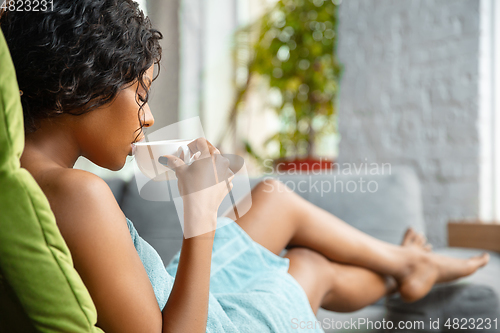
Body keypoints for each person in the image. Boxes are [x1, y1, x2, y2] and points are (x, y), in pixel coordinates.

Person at [1, 1, 489, 332]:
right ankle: (402, 273)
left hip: (176, 297)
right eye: (138, 91)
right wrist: (200, 215)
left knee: (273, 197)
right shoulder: (79, 194)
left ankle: (409, 264)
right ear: (77, 81)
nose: (147, 116)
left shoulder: (25, 180)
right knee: (309, 267)